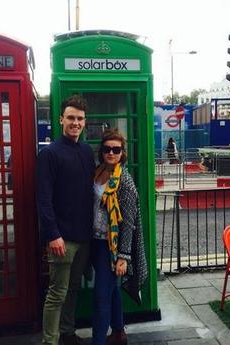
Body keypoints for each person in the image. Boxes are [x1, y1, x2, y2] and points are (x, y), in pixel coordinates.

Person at [36, 95, 95, 345]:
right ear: (61, 120)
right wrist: (53, 235)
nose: (75, 122)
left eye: (80, 118)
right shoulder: (49, 154)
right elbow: (43, 198)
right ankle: (49, 341)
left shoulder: (86, 150)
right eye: (71, 117)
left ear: (85, 122)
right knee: (56, 293)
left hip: (84, 235)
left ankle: (68, 333)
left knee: (73, 289)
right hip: (62, 238)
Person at [91, 130, 148, 345]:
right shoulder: (98, 172)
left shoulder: (124, 181)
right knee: (112, 288)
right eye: (107, 149)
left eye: (116, 149)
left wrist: (123, 256)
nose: (111, 153)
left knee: (101, 296)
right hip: (94, 241)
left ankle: (97, 341)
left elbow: (129, 223)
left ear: (122, 153)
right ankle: (118, 331)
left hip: (112, 247)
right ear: (102, 151)